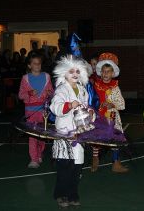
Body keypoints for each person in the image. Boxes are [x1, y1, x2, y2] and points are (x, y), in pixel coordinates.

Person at [50, 54, 92, 208]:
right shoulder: (61, 89)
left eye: (77, 71)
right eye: (71, 71)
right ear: (64, 73)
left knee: (77, 168)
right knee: (64, 168)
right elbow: (55, 107)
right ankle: (61, 194)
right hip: (65, 134)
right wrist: (69, 105)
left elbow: (86, 107)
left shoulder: (82, 90)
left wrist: (90, 113)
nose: (75, 74)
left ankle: (73, 194)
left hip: (79, 134)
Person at [91, 52, 128, 173]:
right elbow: (90, 99)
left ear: (113, 73)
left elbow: (122, 105)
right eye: (103, 71)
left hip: (112, 116)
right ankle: (95, 159)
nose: (105, 74)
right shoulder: (95, 86)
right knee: (97, 139)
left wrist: (112, 104)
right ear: (100, 73)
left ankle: (116, 163)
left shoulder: (115, 88)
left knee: (114, 139)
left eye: (108, 71)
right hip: (98, 115)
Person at [18, 53, 54, 168]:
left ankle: (39, 154)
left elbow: (52, 93)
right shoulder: (25, 78)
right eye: (34, 63)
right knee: (33, 135)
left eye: (39, 63)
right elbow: (20, 95)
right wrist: (29, 93)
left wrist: (50, 93)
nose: (37, 65)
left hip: (43, 110)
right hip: (30, 111)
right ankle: (33, 159)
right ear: (29, 65)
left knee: (42, 135)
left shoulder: (47, 76)